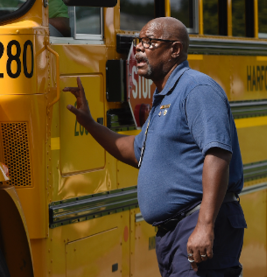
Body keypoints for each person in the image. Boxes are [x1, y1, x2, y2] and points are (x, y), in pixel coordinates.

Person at [64, 17, 245, 276]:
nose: (139, 48)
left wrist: (204, 226)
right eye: (139, 42)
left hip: (196, 221)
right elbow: (135, 151)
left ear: (175, 50)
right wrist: (90, 123)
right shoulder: (164, 98)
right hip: (172, 233)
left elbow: (217, 154)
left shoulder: (196, 89)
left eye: (149, 42)